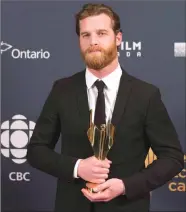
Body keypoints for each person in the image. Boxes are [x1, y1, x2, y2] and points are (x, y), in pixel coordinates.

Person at [26, 3, 184, 212]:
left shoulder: (146, 95)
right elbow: (36, 150)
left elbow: (172, 158)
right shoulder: (62, 90)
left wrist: (126, 186)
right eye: (86, 35)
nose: (93, 42)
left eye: (101, 33)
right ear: (79, 40)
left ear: (118, 38)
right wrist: (77, 167)